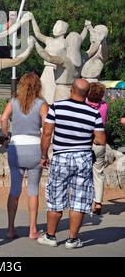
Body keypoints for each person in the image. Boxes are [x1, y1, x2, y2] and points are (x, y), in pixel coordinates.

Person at [38, 78, 106, 249]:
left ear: (70, 89)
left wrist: (44, 155)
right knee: (80, 199)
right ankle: (72, 239)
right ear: (88, 93)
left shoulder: (56, 108)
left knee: (55, 197)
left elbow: (46, 134)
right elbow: (101, 140)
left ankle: (51, 236)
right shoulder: (94, 114)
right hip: (82, 158)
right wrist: (86, 137)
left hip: (61, 157)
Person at [0, 73, 48, 240]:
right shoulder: (41, 104)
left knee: (14, 189)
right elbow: (47, 126)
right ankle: (33, 230)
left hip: (16, 148)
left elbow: (3, 118)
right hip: (35, 148)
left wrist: (6, 137)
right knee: (33, 190)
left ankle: (10, 228)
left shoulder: (13, 102)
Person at [87, 82, 108, 215]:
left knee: (85, 174)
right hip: (99, 142)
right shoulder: (104, 106)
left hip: (86, 142)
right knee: (98, 173)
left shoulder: (84, 106)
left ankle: (86, 202)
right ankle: (98, 202)